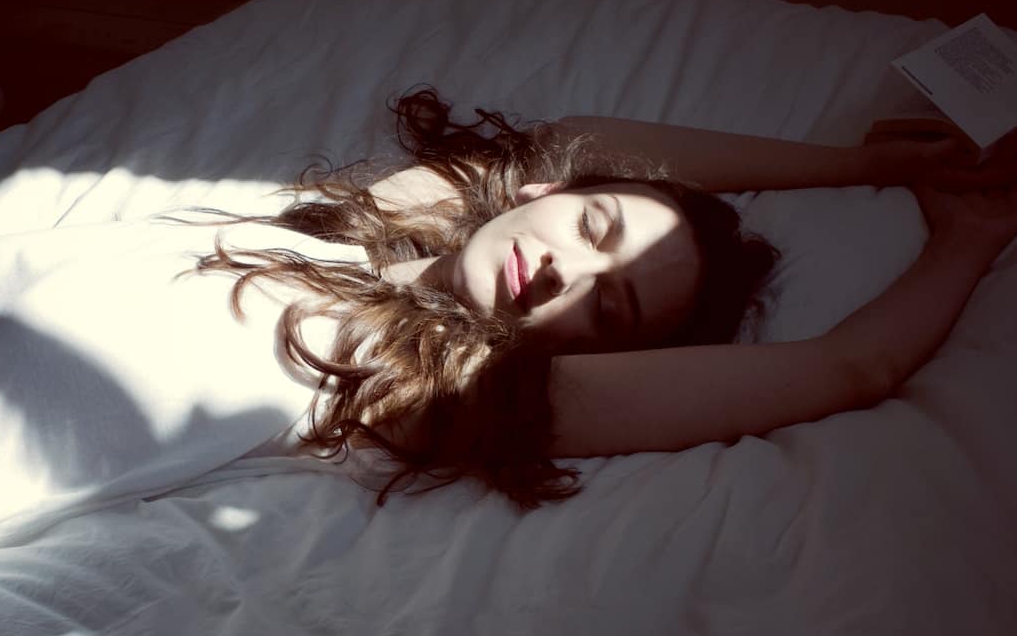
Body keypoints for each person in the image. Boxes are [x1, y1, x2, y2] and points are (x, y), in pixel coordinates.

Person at [186, 87, 1017, 509]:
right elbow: (564, 139)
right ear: (539, 191)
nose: (565, 271)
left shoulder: (431, 385)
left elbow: (848, 368)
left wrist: (967, 240)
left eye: (606, 305)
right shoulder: (370, 224)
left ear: (588, 356)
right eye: (591, 224)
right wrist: (864, 165)